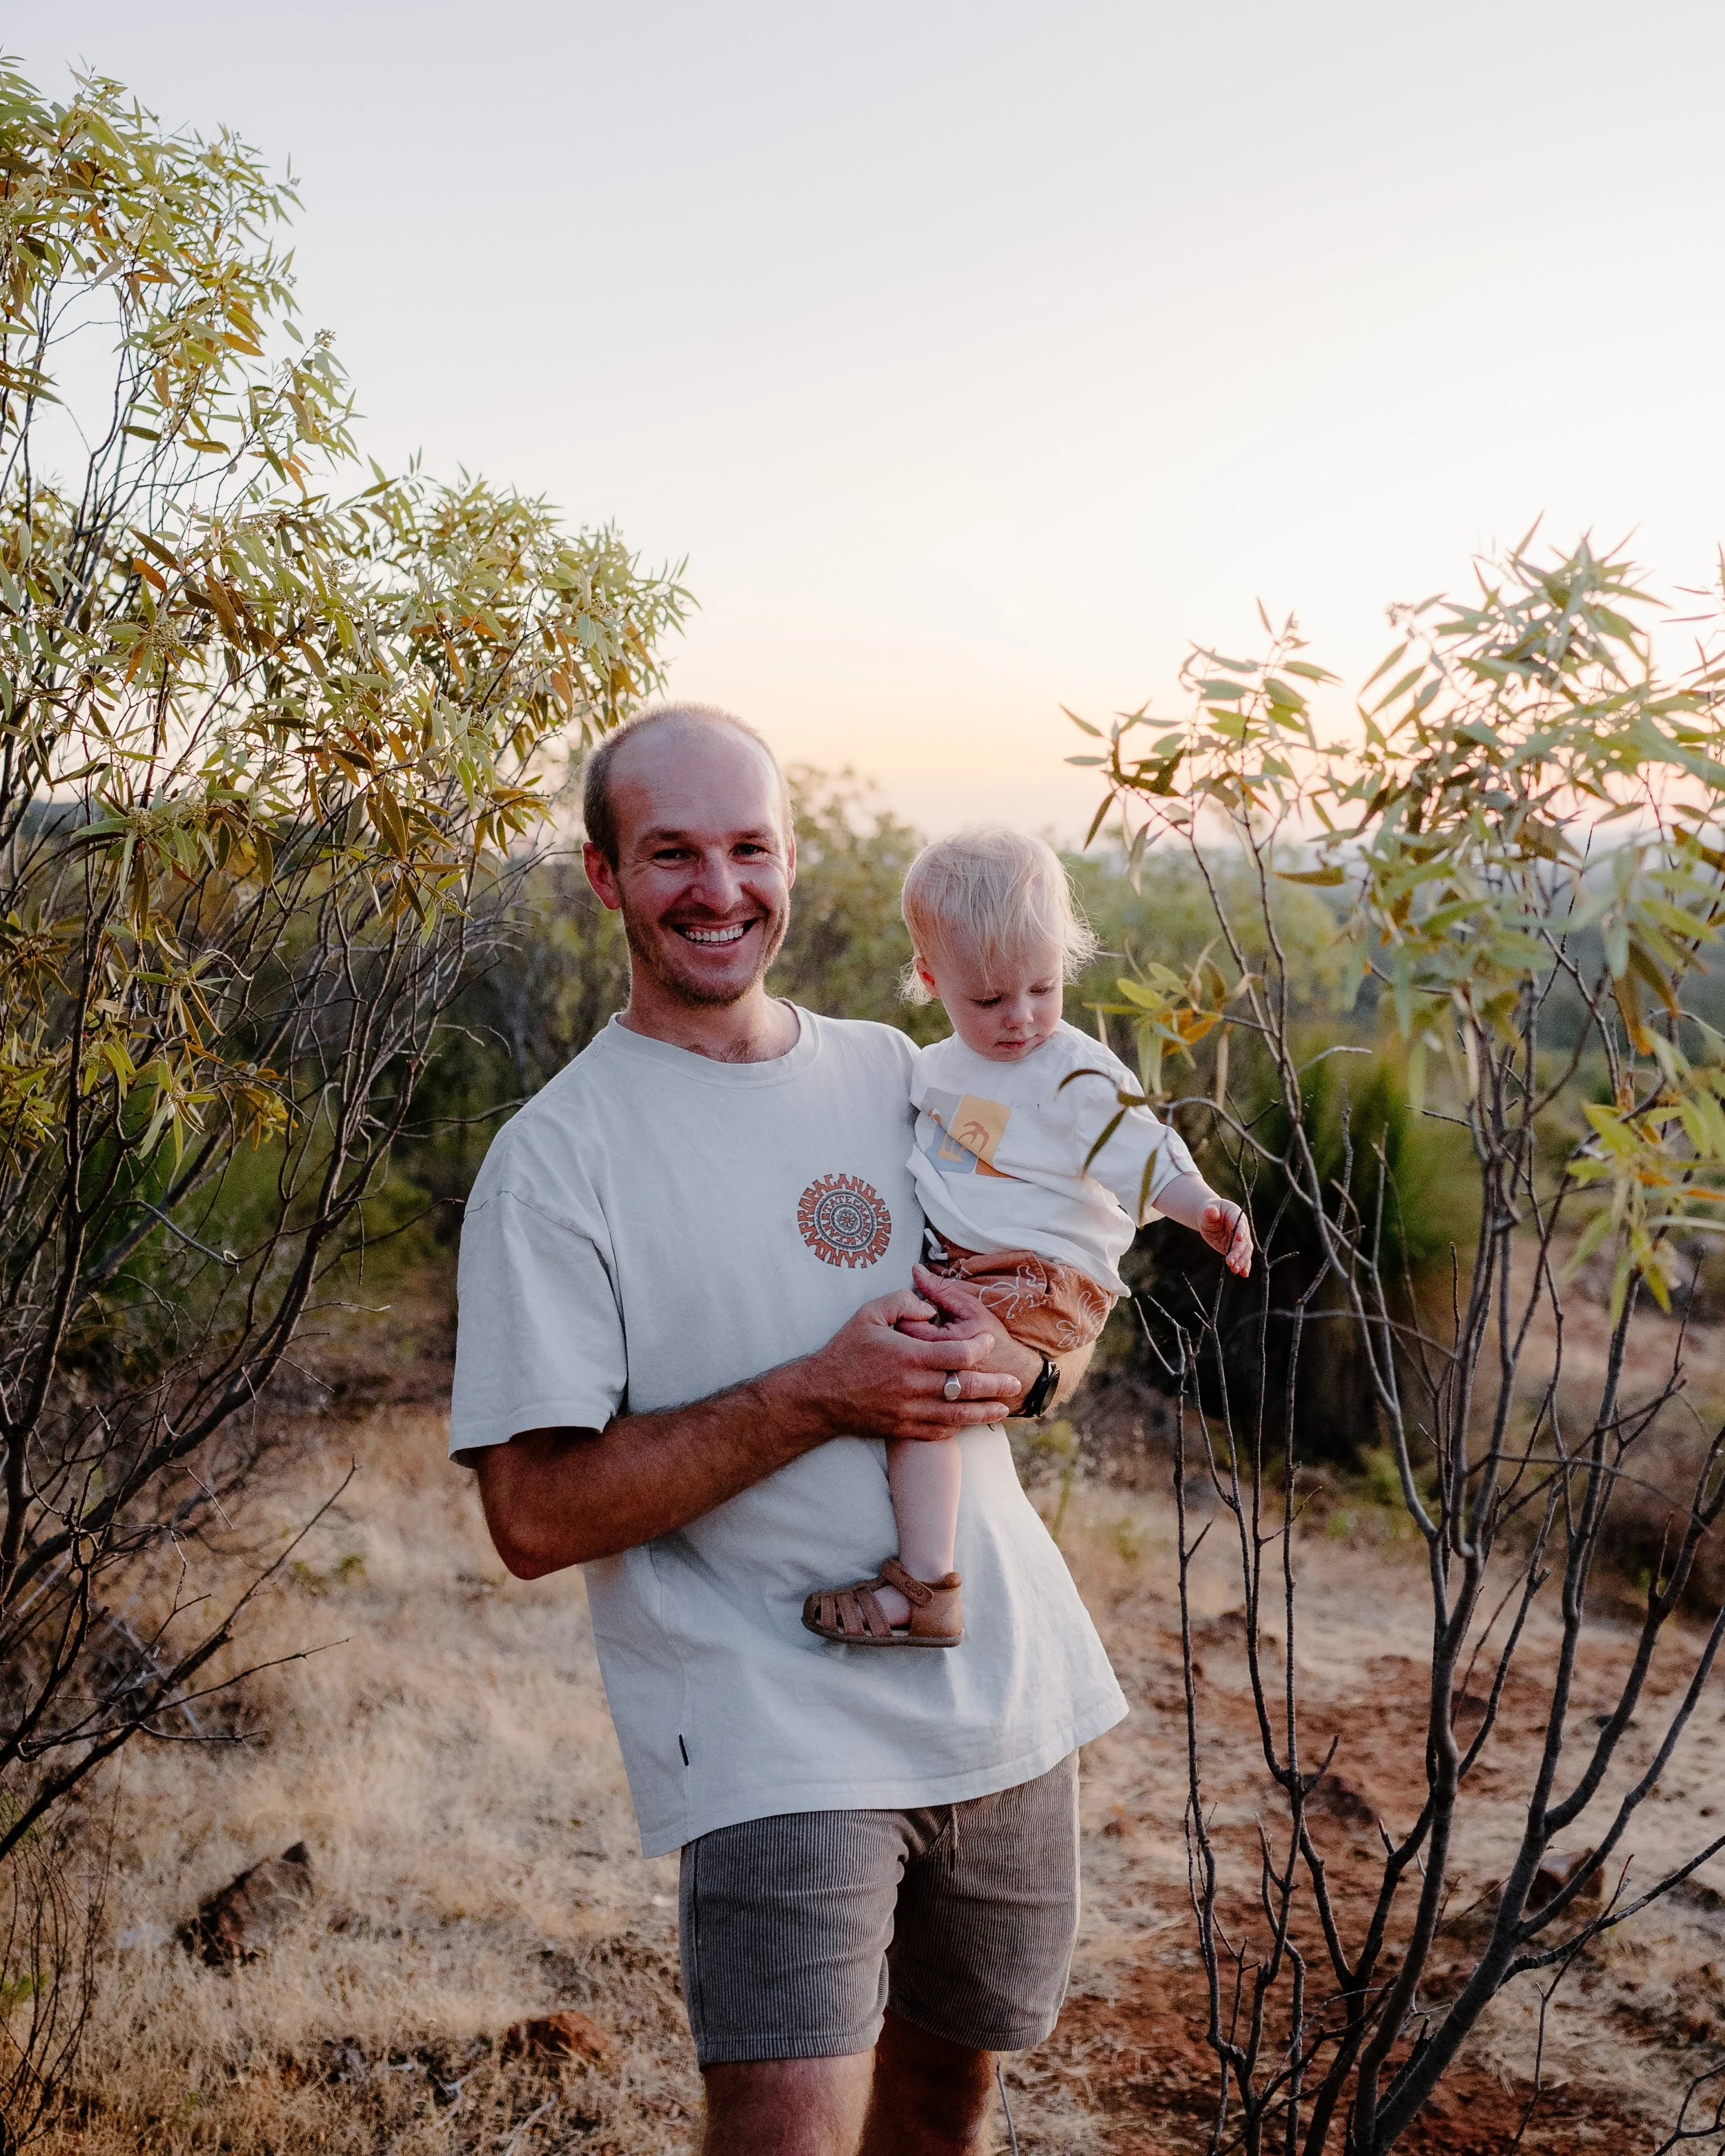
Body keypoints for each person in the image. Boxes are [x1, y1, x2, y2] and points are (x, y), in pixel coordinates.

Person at [449, 705, 1127, 2156]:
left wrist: (1028, 1361)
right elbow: (532, 1516)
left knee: (947, 2104)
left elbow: (1052, 1288)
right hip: (772, 1717)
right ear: (601, 874)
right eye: (671, 851)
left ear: (791, 861)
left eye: (747, 847)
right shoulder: (556, 1159)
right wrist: (815, 1391)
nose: (717, 886)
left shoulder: (902, 1068)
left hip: (1003, 1690)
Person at [801, 829, 1252, 1649]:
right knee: (910, 1373)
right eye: (989, 1000)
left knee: (923, 1389)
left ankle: (925, 1588)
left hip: (1042, 1279)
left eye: (1042, 989)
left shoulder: (1073, 1072)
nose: (1021, 1018)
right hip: (971, 1270)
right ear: (932, 979)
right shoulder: (931, 1069)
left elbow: (1143, 1154)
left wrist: (1203, 1206)